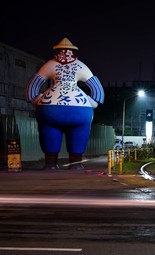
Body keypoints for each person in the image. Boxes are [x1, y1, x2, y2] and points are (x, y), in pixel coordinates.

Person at [25, 37, 105, 170]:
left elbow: (32, 86)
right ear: (73, 51)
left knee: (49, 133)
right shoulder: (81, 65)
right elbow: (97, 90)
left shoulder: (49, 64)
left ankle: (50, 164)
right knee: (79, 134)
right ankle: (76, 165)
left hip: (49, 108)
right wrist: (92, 102)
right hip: (80, 110)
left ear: (57, 50)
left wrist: (36, 100)